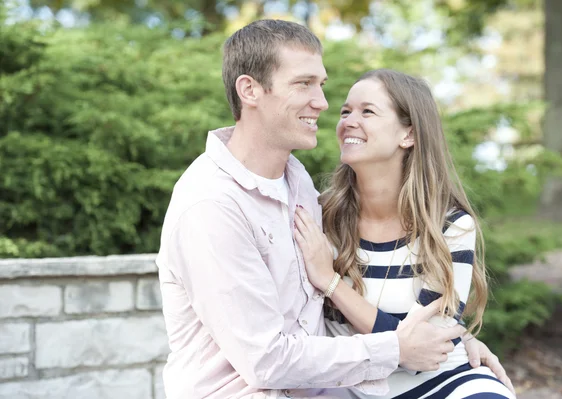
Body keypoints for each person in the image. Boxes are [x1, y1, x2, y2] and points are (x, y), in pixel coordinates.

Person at [155, 19, 513, 399]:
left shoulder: (298, 186)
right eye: (303, 84)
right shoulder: (212, 206)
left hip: (327, 389)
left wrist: (454, 345)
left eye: (321, 85)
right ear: (250, 90)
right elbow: (266, 360)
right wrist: (399, 348)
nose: (324, 105)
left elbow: (315, 322)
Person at [293, 69, 516, 399]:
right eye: (346, 111)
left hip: (440, 382)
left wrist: (331, 282)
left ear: (408, 134)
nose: (349, 121)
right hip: (347, 387)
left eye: (367, 111)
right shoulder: (318, 217)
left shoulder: (451, 227)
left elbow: (422, 352)